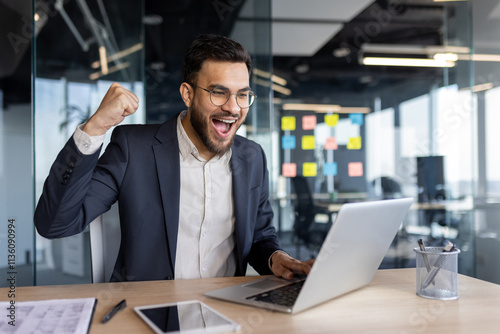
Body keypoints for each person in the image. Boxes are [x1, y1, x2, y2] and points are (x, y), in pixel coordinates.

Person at [34, 34, 313, 282]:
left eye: (242, 95)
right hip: (152, 313)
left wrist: (276, 257)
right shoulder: (134, 149)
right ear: (187, 94)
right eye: (219, 92)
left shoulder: (252, 156)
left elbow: (260, 237)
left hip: (229, 311)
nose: (232, 107)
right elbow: (55, 223)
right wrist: (94, 128)